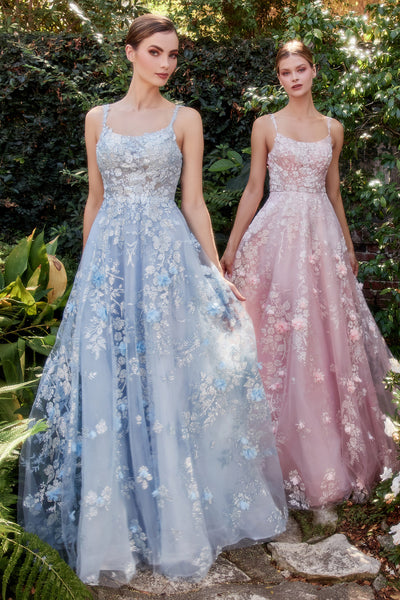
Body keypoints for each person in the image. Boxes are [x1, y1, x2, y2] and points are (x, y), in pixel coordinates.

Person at [18, 14, 287, 586]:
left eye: (173, 54)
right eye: (156, 52)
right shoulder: (97, 119)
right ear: (130, 52)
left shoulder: (185, 119)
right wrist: (87, 274)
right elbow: (95, 199)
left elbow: (193, 203)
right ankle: (112, 530)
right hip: (109, 264)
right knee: (110, 379)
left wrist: (214, 271)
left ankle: (174, 522)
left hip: (165, 263)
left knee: (163, 377)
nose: (166, 63)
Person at [221, 39, 398, 516]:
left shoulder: (333, 128)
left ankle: (327, 453)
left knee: (322, 336)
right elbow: (254, 188)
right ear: (279, 78)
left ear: (314, 71)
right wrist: (232, 246)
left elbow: (333, 190)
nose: (293, 78)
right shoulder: (266, 125)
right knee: (274, 335)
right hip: (276, 237)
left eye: (300, 69)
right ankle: (268, 454)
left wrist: (347, 243)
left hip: (321, 238)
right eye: (285, 72)